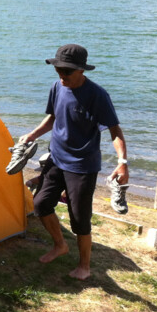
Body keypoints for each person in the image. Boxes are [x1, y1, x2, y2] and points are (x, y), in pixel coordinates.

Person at [17, 44, 128, 281]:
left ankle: (84, 266)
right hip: (56, 158)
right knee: (40, 204)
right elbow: (53, 118)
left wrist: (122, 162)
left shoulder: (98, 95)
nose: (61, 76)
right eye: (58, 70)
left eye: (66, 72)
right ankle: (60, 245)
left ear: (80, 70)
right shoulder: (58, 87)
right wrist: (32, 135)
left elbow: (115, 131)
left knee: (80, 219)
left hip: (82, 165)